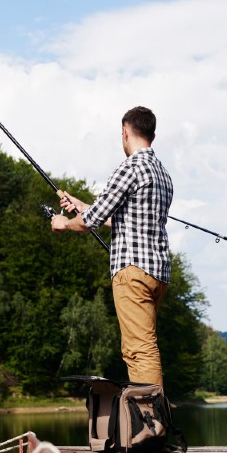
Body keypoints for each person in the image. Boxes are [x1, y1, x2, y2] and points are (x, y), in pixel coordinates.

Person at [51, 106, 173, 387]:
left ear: (125, 132)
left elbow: (91, 221)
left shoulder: (130, 167)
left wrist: (64, 223)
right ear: (152, 134)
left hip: (132, 272)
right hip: (157, 273)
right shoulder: (162, 174)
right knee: (147, 345)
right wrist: (80, 206)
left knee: (138, 350)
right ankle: (153, 417)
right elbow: (122, 218)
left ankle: (150, 421)